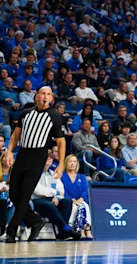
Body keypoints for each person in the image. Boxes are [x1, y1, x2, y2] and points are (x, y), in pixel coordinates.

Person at [2, 86, 67, 243]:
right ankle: (35, 221)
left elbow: (61, 142)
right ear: (36, 96)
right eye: (42, 93)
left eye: (48, 94)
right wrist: (10, 151)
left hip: (39, 156)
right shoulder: (26, 113)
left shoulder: (55, 116)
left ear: (52, 98)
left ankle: (11, 231)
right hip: (23, 154)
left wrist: (61, 165)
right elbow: (15, 135)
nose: (45, 96)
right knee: (13, 194)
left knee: (25, 195)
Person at [29, 152, 82, 240]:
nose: (49, 159)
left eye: (51, 157)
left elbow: (61, 190)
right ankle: (66, 228)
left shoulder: (54, 173)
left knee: (67, 201)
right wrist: (55, 193)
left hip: (52, 200)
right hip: (37, 201)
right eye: (47, 157)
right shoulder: (34, 173)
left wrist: (57, 197)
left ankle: (62, 233)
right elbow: (37, 190)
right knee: (49, 205)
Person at [60, 155, 91, 239]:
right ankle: (75, 230)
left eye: (74, 162)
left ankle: (87, 229)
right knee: (73, 207)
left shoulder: (82, 177)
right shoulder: (62, 176)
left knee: (85, 206)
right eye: (70, 161)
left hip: (80, 199)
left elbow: (85, 191)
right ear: (66, 163)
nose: (72, 164)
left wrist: (81, 198)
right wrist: (71, 199)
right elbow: (62, 190)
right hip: (68, 200)